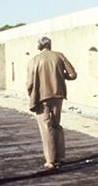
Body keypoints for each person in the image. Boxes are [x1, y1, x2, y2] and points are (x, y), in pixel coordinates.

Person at [27, 36, 77, 169]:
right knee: (56, 125)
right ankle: (59, 157)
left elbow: (30, 83)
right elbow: (73, 75)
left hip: (41, 98)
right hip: (58, 95)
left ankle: (50, 160)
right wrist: (60, 75)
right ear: (50, 45)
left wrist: (32, 96)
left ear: (39, 46)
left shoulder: (34, 60)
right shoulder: (59, 56)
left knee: (46, 128)